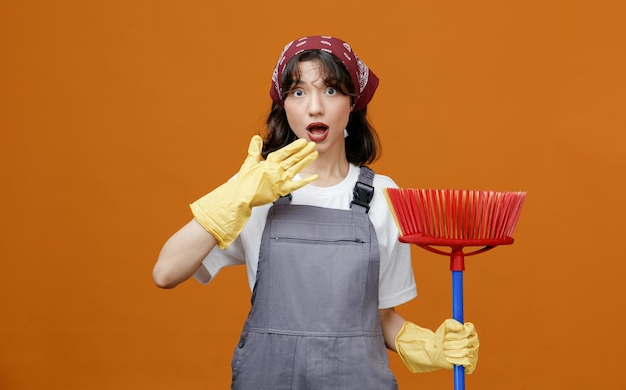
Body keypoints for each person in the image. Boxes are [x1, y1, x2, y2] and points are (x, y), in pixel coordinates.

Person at [152, 35, 479, 389]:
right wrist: (236, 197)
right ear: (283, 105)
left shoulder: (384, 197)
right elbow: (166, 272)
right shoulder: (255, 189)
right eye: (298, 92)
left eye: (331, 90)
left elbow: (382, 316)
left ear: (353, 102)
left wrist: (429, 347)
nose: (315, 107)